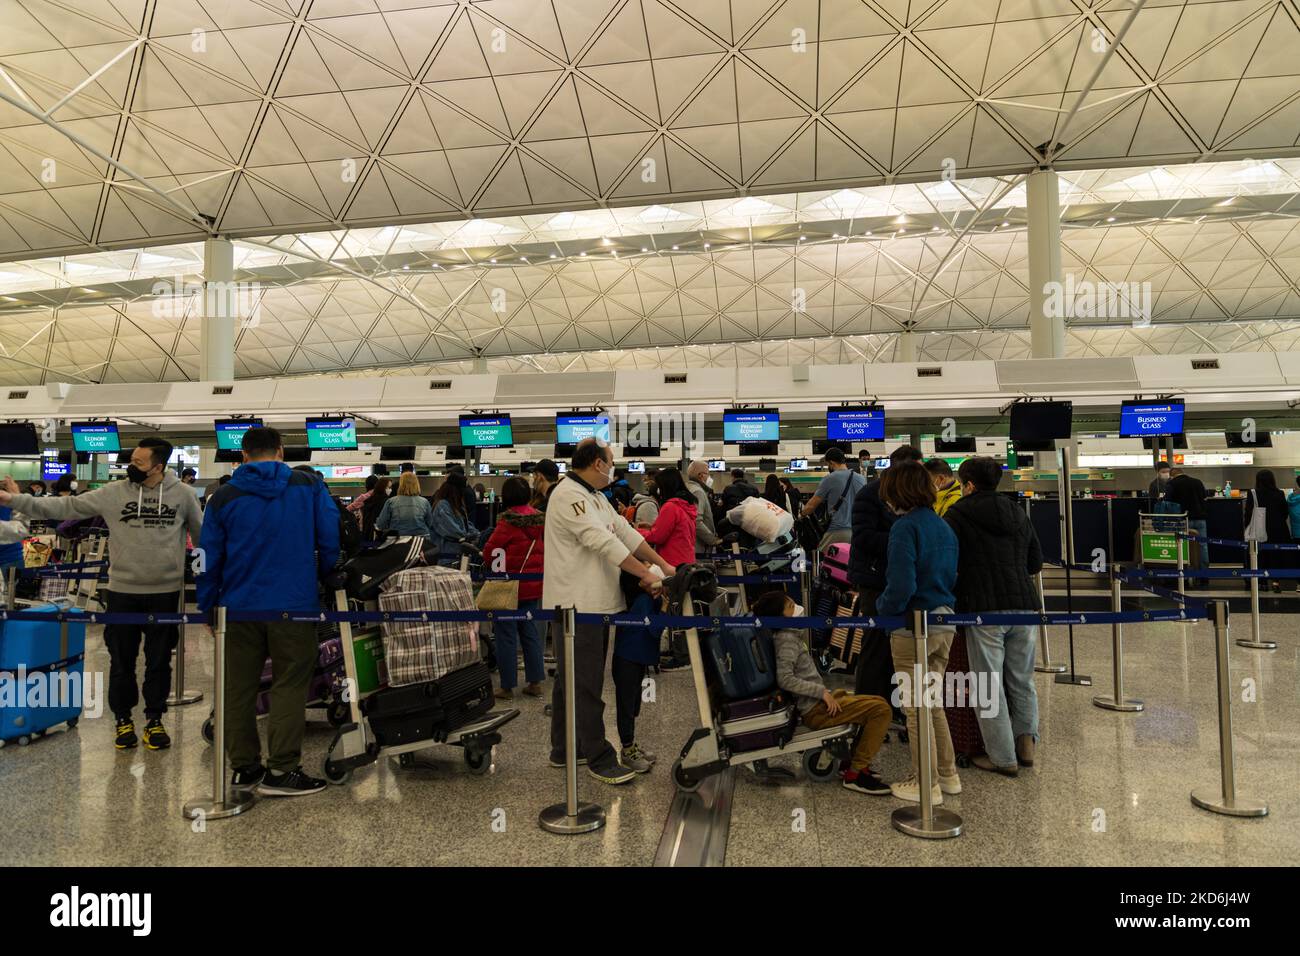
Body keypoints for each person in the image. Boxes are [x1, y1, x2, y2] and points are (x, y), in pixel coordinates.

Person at [1, 437, 203, 751]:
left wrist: (205, 579)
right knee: (121, 661)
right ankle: (123, 720)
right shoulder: (114, 493)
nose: (131, 467)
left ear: (159, 467)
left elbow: (202, 539)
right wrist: (14, 501)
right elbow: (64, 506)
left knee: (159, 661)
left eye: (138, 463)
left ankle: (154, 720)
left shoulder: (185, 496)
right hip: (122, 591)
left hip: (165, 592)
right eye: (131, 460)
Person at [197, 426, 339, 797]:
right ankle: (282, 771)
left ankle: (245, 769)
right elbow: (329, 535)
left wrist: (208, 606)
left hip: (238, 608)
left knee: (238, 688)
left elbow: (206, 557)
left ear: (242, 455)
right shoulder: (308, 486)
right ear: (280, 451)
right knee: (290, 684)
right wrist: (324, 575)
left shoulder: (222, 496)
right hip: (293, 604)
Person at [545, 438, 676, 785]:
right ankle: (598, 756)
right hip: (577, 605)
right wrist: (646, 574)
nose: (612, 467)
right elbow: (600, 542)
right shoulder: (568, 495)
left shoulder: (596, 498)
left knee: (569, 681)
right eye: (610, 461)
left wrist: (663, 564)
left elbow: (625, 534)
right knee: (585, 683)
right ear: (596, 463)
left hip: (593, 603)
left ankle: (564, 748)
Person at [944, 456, 1043, 776]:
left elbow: (948, 563)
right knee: (1022, 679)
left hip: (983, 609)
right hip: (1025, 606)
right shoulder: (1017, 511)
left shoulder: (958, 513)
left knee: (988, 683)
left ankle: (1001, 758)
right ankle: (1026, 745)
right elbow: (1035, 563)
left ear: (969, 484)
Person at [875, 460, 961, 805]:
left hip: (913, 626)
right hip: (945, 621)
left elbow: (901, 584)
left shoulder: (905, 527)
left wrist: (883, 608)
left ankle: (925, 784)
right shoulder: (943, 526)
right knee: (933, 703)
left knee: (914, 708)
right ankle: (948, 774)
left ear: (898, 492)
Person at [756, 590, 892, 795]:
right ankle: (856, 774)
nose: (798, 608)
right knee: (881, 710)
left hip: (816, 703)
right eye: (791, 605)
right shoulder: (786, 640)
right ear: (781, 617)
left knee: (876, 701)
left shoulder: (789, 635)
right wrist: (822, 692)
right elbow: (785, 679)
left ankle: (853, 764)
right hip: (815, 710)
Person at [484, 477, 546, 702]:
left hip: (509, 586)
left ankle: (507, 686)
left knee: (505, 635)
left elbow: (490, 551)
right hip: (533, 584)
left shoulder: (507, 522)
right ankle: (535, 682)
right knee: (529, 631)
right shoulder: (540, 521)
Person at [801, 447, 866, 551]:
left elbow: (811, 506)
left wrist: (801, 514)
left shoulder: (829, 479)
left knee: (822, 559)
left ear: (831, 463)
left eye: (828, 464)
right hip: (858, 531)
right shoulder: (861, 479)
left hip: (837, 531)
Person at [1245, 469, 1290, 594]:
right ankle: (1276, 582)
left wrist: (1247, 528)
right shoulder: (1279, 493)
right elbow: (1284, 512)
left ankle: (1263, 582)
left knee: (1261, 555)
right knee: (1276, 555)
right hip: (1278, 529)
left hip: (1260, 529)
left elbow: (1248, 513)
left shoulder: (1253, 493)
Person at [1165, 467, 1210, 586]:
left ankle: (1185, 575)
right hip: (1200, 519)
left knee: (1184, 547)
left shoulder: (1172, 484)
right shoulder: (1197, 482)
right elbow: (1205, 499)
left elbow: (1167, 502)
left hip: (1183, 520)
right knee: (1202, 546)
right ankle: (1204, 575)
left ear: (1172, 475)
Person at [430, 471, 478, 564]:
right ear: (455, 490)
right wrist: (468, 536)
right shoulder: (442, 506)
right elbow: (452, 531)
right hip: (446, 557)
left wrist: (476, 533)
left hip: (457, 556)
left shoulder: (456, 506)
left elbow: (465, 524)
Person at [375, 471, 436, 542]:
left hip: (398, 540)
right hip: (421, 540)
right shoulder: (424, 502)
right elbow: (431, 523)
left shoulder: (391, 502)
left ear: (401, 484)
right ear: (416, 484)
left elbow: (381, 525)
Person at [685, 459, 720, 557]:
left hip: (690, 544)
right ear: (701, 475)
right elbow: (696, 521)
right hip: (699, 547)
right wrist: (713, 540)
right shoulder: (698, 492)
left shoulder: (688, 488)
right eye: (708, 474)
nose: (709, 477)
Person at [360, 476, 390, 542]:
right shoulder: (386, 501)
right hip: (379, 535)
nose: (390, 489)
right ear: (383, 487)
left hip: (367, 534)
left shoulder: (369, 500)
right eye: (388, 487)